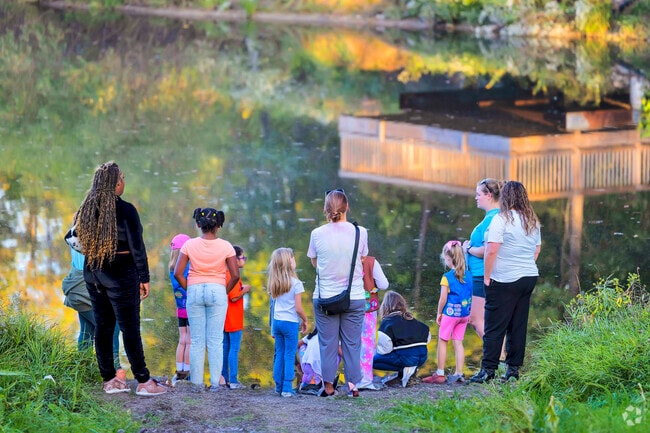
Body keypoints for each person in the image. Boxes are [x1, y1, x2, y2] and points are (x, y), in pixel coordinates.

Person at [76, 161, 165, 396]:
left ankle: (110, 380)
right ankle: (144, 382)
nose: (124, 181)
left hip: (93, 273)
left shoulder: (85, 209)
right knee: (130, 328)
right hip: (121, 275)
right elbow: (137, 247)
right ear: (116, 184)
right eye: (122, 178)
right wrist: (144, 277)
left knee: (103, 327)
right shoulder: (126, 210)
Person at [470, 181, 542, 383]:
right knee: (518, 325)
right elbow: (536, 250)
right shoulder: (532, 220)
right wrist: (523, 266)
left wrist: (487, 276)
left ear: (505, 197)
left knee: (494, 326)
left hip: (503, 279)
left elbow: (491, 250)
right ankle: (513, 370)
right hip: (528, 278)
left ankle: (488, 370)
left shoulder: (501, 220)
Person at [308, 188, 368, 398]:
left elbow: (315, 263)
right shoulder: (360, 232)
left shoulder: (317, 234)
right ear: (347, 207)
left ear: (325, 210)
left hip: (325, 299)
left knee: (328, 343)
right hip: (354, 297)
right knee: (352, 343)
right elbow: (362, 259)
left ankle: (329, 386)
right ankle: (353, 385)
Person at [174, 207, 240, 391]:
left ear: (198, 224)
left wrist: (191, 287)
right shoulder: (226, 246)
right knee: (215, 340)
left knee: (196, 341)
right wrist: (223, 291)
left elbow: (178, 273)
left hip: (194, 290)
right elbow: (235, 275)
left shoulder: (189, 245)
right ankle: (214, 385)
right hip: (217, 290)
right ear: (218, 225)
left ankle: (196, 384)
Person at [61, 245, 122, 367]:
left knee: (87, 329)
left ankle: (84, 368)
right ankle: (114, 371)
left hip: (79, 286)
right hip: (85, 286)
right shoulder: (93, 234)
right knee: (111, 327)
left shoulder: (78, 231)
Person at [422, 240, 472, 385]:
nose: (445, 261)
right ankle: (459, 373)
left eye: (446, 259)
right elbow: (471, 295)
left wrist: (439, 313)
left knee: (443, 341)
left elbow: (443, 299)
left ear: (450, 259)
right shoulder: (469, 276)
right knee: (458, 342)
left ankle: (440, 373)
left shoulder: (447, 277)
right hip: (464, 314)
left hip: (450, 314)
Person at [462, 178, 501, 340]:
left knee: (476, 319)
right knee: (489, 320)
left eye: (478, 194)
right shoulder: (492, 217)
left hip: (482, 275)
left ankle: (497, 356)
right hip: (481, 275)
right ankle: (500, 357)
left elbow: (488, 250)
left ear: (489, 195)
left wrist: (468, 248)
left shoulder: (493, 219)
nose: (476, 197)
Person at [267, 248, 309, 397]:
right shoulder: (296, 283)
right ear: (289, 262)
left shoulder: (274, 283)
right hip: (290, 323)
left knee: (279, 353)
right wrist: (305, 319)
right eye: (293, 258)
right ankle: (286, 388)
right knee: (289, 354)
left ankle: (278, 386)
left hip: (277, 323)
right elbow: (298, 308)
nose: (295, 261)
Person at [372, 290, 430, 387]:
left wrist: (374, 348)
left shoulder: (387, 323)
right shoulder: (412, 319)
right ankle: (405, 374)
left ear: (385, 306)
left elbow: (384, 351)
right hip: (422, 358)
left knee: (369, 359)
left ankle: (405, 370)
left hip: (407, 358)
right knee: (404, 350)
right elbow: (427, 337)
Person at [220, 245, 251, 390]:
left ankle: (224, 378)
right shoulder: (233, 275)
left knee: (226, 348)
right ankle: (233, 380)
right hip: (234, 319)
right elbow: (233, 297)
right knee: (234, 349)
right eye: (242, 258)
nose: (243, 260)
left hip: (225, 318)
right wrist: (245, 289)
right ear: (235, 259)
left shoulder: (224, 274)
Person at [357, 256, 389, 391]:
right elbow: (383, 284)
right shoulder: (370, 262)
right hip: (368, 307)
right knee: (368, 342)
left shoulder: (343, 257)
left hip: (346, 307)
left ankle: (351, 379)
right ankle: (365, 379)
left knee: (350, 342)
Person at [169, 233, 191, 385]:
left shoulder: (171, 268)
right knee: (189, 341)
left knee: (182, 340)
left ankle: (179, 371)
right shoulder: (187, 266)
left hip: (179, 308)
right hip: (190, 307)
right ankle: (188, 372)